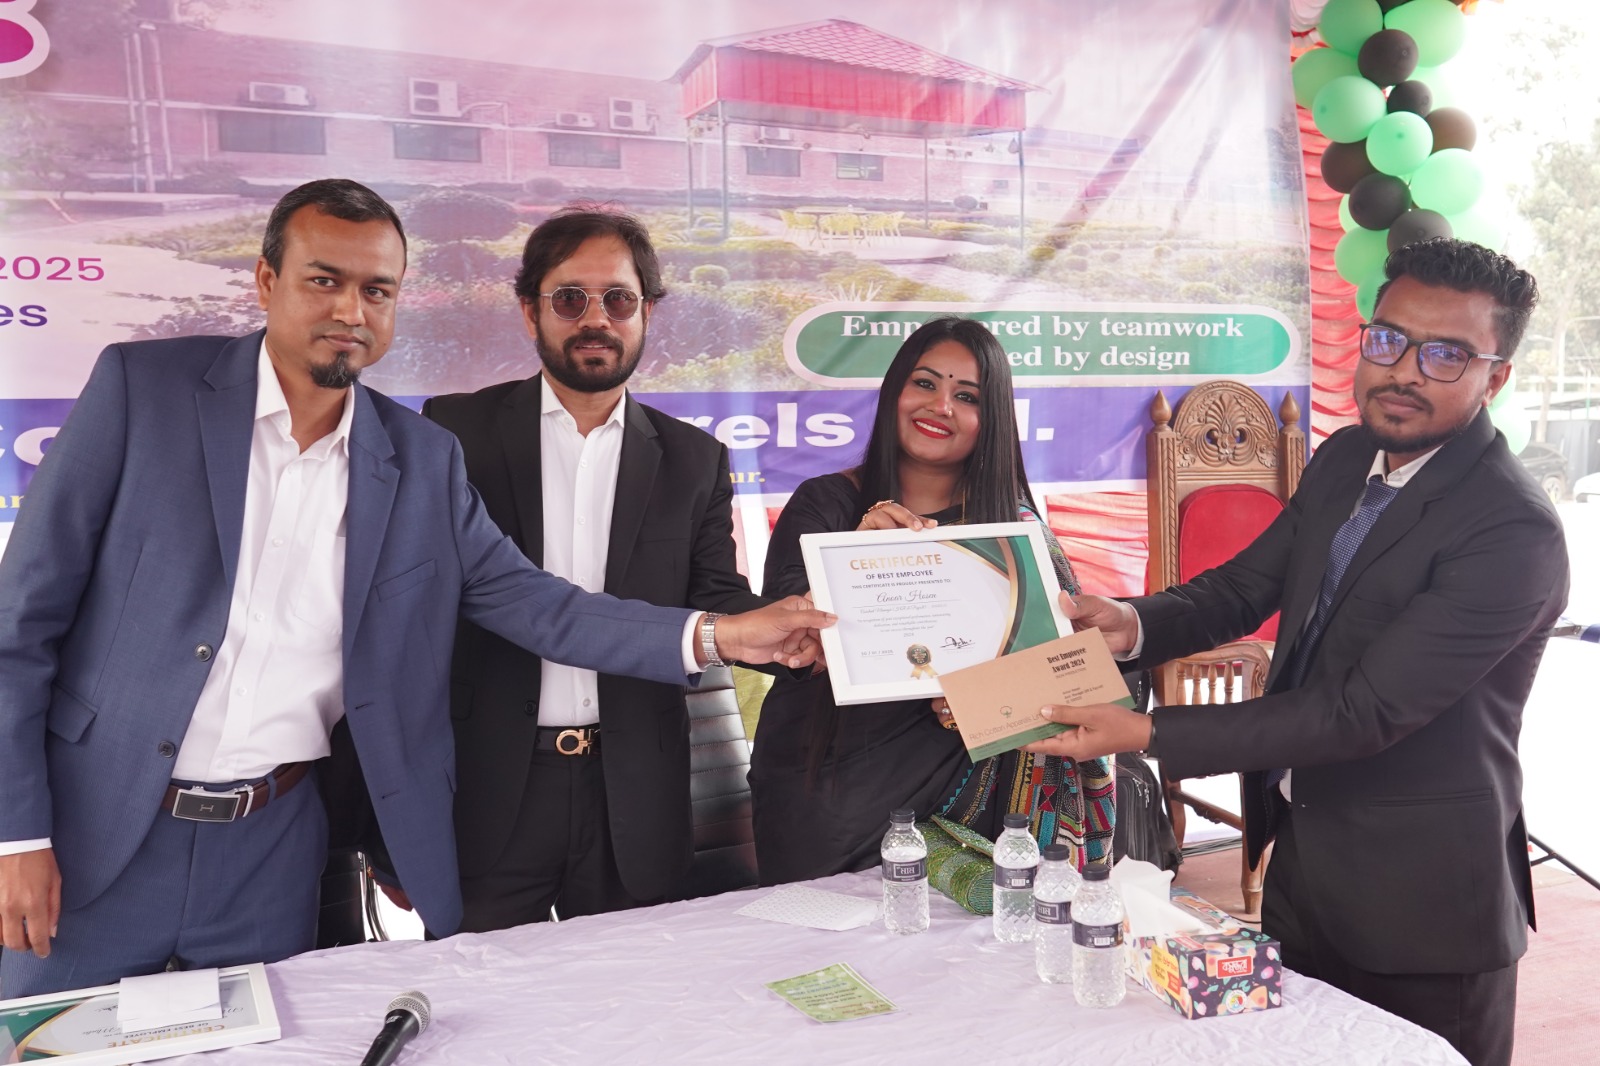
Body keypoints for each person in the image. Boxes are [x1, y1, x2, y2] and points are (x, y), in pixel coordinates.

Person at [0, 179, 830, 999]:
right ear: (266, 280)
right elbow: (19, 629)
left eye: (377, 290)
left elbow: (536, 604)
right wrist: (16, 836)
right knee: (53, 1048)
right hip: (91, 835)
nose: (350, 310)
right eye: (324, 279)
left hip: (271, 852)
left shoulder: (419, 459)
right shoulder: (144, 391)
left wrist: (724, 635)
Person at [1028, 239, 1567, 1066]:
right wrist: (1129, 623)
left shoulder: (1511, 528)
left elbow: (1360, 712)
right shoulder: (1346, 457)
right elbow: (1244, 586)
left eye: (1446, 355)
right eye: (1388, 340)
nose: (1404, 371)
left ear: (1495, 378)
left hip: (1424, 909)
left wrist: (1147, 733)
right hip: (1305, 866)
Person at [420, 206, 767, 929]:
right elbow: (404, 622)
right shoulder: (453, 434)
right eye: (570, 299)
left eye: (619, 299)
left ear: (648, 313)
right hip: (488, 792)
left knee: (629, 991)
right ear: (529, 310)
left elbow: (721, 601)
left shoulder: (695, 460)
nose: (596, 319)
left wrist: (808, 621)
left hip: (635, 796)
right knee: (484, 993)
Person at [749, 316, 1114, 885]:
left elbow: (1074, 676)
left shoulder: (1016, 534)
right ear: (894, 392)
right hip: (832, 793)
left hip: (981, 799)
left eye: (966, 396)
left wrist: (988, 703)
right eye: (924, 383)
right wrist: (858, 557)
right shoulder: (825, 504)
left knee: (978, 938)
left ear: (991, 419)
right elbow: (789, 643)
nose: (940, 406)